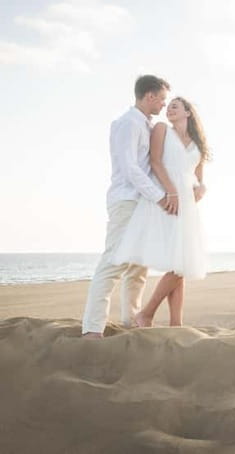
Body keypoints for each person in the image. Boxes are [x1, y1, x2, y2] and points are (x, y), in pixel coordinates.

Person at [81, 75, 175, 338]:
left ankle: (131, 321)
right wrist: (159, 197)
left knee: (138, 266)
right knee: (113, 262)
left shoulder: (148, 124)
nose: (164, 105)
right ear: (149, 96)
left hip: (142, 203)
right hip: (127, 200)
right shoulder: (128, 123)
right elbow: (129, 167)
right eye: (162, 99)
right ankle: (92, 329)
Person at [112, 96, 210, 327]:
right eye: (168, 106)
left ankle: (176, 324)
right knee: (179, 264)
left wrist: (202, 188)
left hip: (187, 204)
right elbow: (155, 162)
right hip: (166, 199)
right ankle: (146, 313)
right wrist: (171, 192)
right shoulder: (161, 129)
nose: (169, 108)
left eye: (175, 105)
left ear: (188, 112)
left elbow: (199, 177)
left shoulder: (198, 142)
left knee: (181, 263)